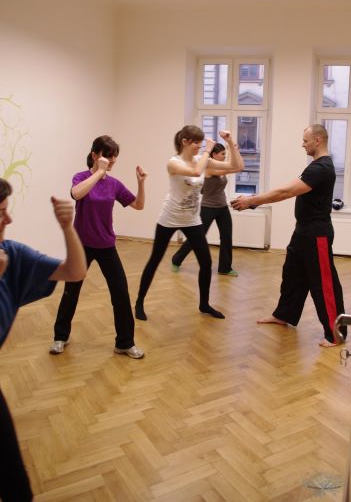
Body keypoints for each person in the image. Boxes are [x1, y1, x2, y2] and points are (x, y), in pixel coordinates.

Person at [0, 178, 86, 502]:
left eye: (6, 210)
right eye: (0, 213)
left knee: (16, 485)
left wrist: (67, 228)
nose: (8, 220)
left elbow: (74, 272)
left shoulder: (12, 256)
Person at [231, 124, 346, 348]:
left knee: (324, 283)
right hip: (303, 230)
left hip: (317, 234)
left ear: (318, 140)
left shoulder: (321, 168)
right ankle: (284, 314)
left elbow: (286, 192)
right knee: (293, 274)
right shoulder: (316, 166)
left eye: (305, 140)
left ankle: (335, 333)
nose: (302, 144)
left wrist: (252, 201)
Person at [49, 135, 147, 359]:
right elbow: (76, 193)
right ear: (95, 155)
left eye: (114, 157)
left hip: (106, 245)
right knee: (71, 291)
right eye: (108, 156)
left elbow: (139, 205)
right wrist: (99, 172)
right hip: (81, 245)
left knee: (120, 292)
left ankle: (125, 343)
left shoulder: (114, 184)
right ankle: (60, 336)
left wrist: (141, 183)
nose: (112, 161)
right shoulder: (81, 177)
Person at [134, 126, 243, 322]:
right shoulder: (173, 163)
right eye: (196, 142)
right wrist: (208, 150)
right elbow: (195, 171)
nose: (199, 146)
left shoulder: (202, 160)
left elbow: (237, 166)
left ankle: (204, 304)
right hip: (170, 217)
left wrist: (230, 142)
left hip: (192, 219)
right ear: (184, 141)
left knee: (206, 262)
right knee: (155, 260)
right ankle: (139, 303)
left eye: (201, 142)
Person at [171, 142, 244, 276]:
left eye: (225, 154)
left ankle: (225, 268)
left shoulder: (221, 166)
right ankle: (176, 259)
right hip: (207, 208)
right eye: (222, 154)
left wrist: (234, 150)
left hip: (222, 207)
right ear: (214, 155)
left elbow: (236, 165)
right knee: (197, 237)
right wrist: (233, 156)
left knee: (226, 237)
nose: (224, 156)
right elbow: (235, 167)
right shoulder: (208, 168)